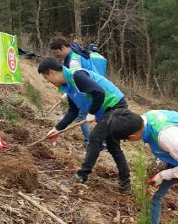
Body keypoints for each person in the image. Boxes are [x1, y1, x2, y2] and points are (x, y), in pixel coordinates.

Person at [37, 57, 131, 193]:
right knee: (112, 145)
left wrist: (92, 112)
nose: (49, 82)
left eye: (47, 79)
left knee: (95, 138)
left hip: (115, 106)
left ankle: (81, 175)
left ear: (51, 72)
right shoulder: (68, 86)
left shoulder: (77, 76)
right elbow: (73, 111)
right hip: (107, 110)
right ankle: (125, 183)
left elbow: (99, 92)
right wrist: (57, 129)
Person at [50, 36, 94, 148]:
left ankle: (91, 142)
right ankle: (97, 142)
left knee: (82, 116)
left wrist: (71, 94)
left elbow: (78, 80)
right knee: (82, 114)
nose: (57, 56)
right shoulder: (73, 55)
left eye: (57, 52)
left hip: (90, 91)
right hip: (90, 89)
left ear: (63, 48)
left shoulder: (74, 61)